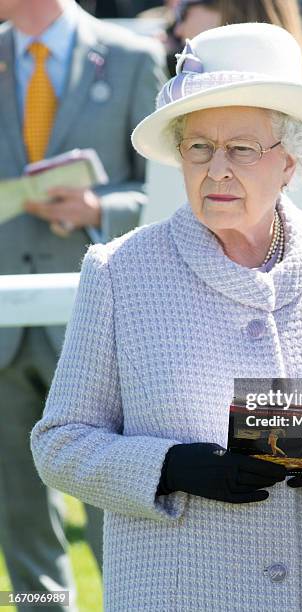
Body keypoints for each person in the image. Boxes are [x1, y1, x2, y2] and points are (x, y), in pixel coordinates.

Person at [31, 23, 302, 611]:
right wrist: (170, 468)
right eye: (198, 147)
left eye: (242, 149)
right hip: (176, 595)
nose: (216, 169)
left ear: (291, 162)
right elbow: (59, 442)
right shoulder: (121, 273)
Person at [0, 0, 163, 608]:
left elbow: (165, 186)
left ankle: (130, 600)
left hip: (99, 319)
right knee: (20, 514)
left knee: (108, 500)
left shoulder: (130, 58)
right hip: (3, 327)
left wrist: (100, 210)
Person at [145, 0, 302, 230]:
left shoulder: (187, 127)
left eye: (182, 12)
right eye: (201, 147)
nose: (177, 29)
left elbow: (154, 241)